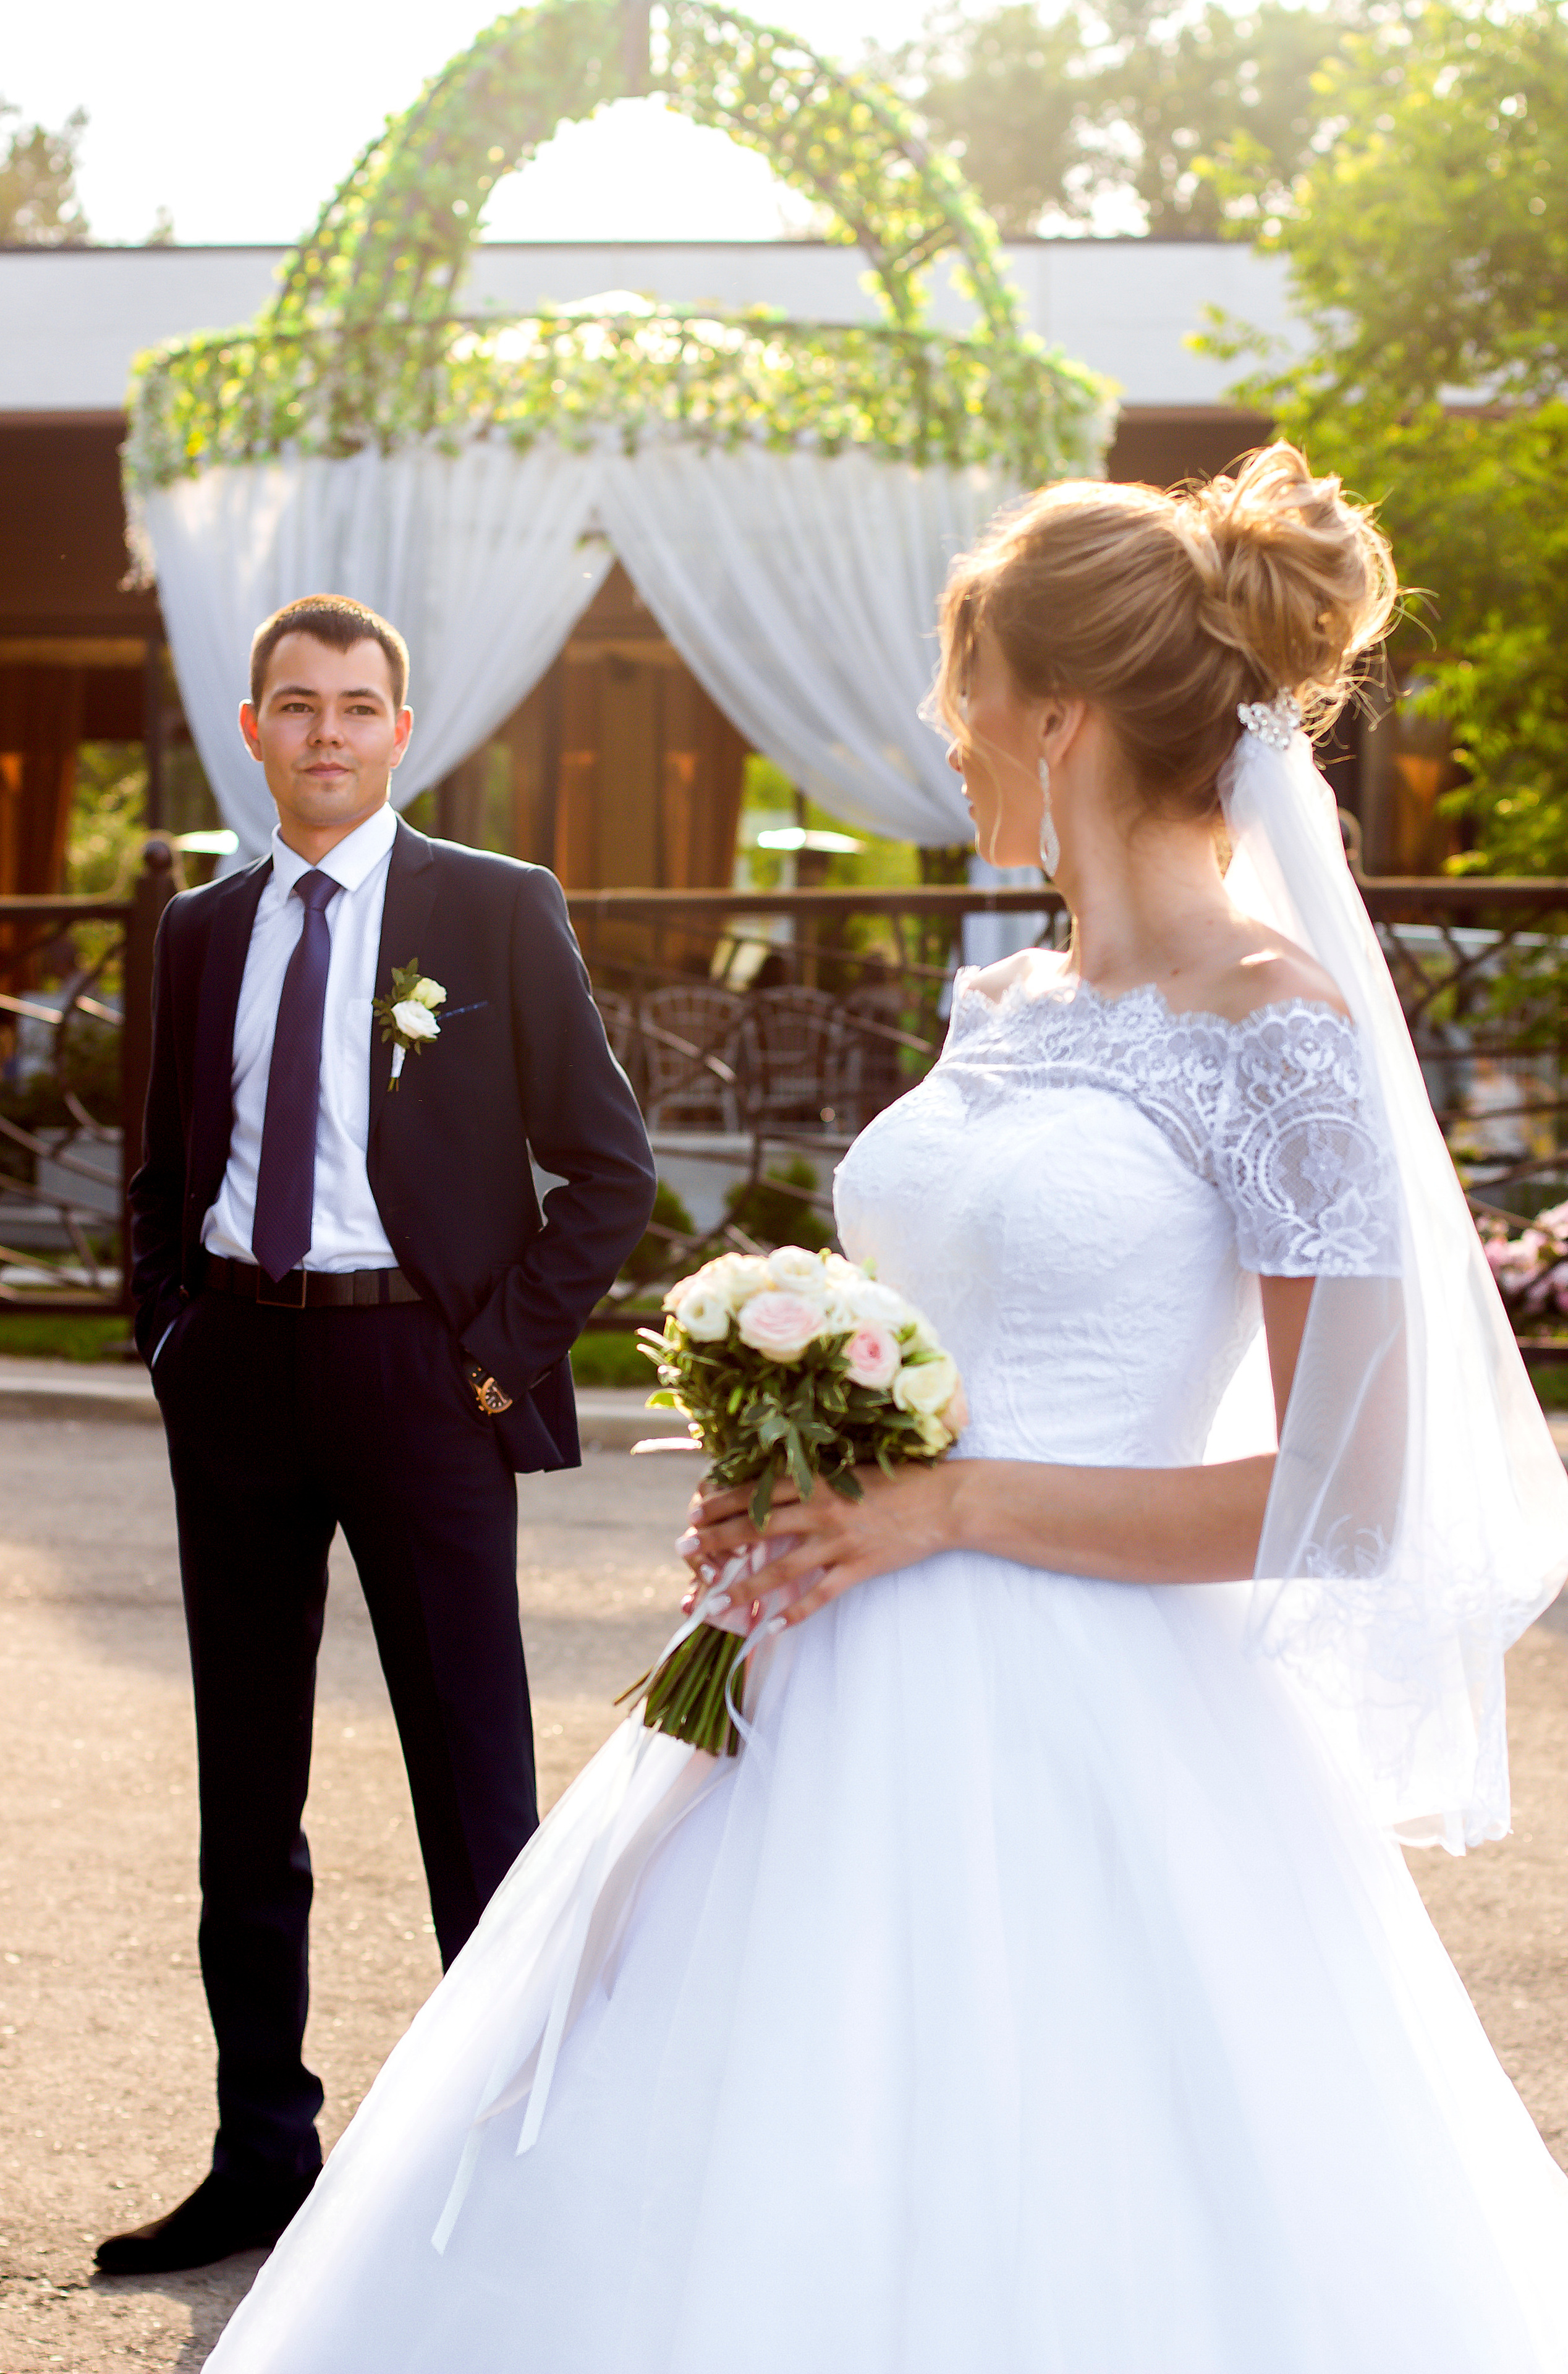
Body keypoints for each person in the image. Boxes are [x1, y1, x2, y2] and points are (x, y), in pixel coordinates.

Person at [203, 454, 1568, 2371]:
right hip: (813, 1659)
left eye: (964, 683)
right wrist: (796, 1468)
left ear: (1059, 715)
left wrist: (948, 1507)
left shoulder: (1276, 1029)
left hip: (1091, 1723)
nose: (949, 731)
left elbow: (1355, 1494)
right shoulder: (1001, 1000)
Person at [101, 594, 655, 2277]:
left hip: (427, 1384)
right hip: (244, 1385)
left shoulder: (490, 913)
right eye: (298, 705)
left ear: (402, 733)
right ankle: (260, 2149)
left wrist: (495, 1358)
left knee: (472, 1789)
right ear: (253, 729)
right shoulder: (200, 929)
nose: (328, 730)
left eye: (359, 706)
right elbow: (162, 1166)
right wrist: (174, 1335)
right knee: (244, 1793)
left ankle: (512, 2169)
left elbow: (607, 1163)